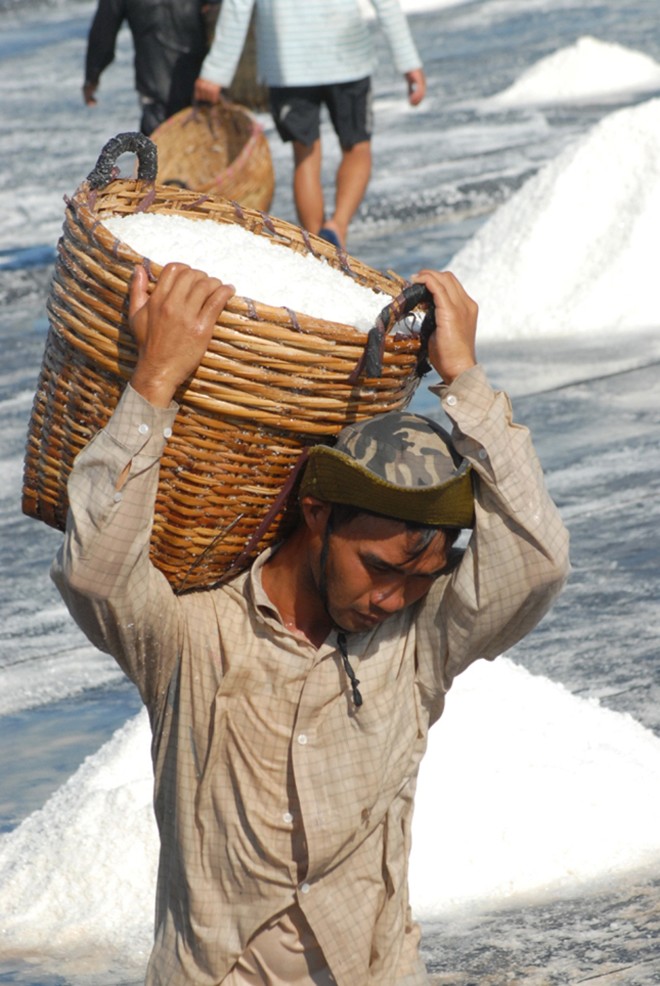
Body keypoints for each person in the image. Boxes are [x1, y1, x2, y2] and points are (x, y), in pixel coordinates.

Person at [51, 262, 570, 985]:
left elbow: (537, 561)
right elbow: (94, 573)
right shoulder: (194, 639)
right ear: (318, 513)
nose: (393, 599)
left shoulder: (417, 646)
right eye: (380, 567)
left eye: (420, 580)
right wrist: (154, 385)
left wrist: (466, 383)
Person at [194, 0, 427, 249]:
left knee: (305, 155)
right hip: (348, 56)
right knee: (357, 147)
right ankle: (337, 226)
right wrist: (408, 62)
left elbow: (237, 6)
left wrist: (215, 73)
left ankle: (318, 247)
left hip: (288, 65)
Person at [83, 0, 220, 136]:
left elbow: (103, 32)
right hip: (206, 87)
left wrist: (92, 77)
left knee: (155, 151)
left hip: (156, 93)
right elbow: (222, 21)